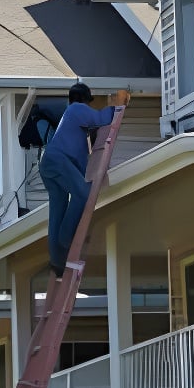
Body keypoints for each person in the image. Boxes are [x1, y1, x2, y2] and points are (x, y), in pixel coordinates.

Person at [39, 83, 127, 276]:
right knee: (83, 194)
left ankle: (57, 262)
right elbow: (101, 118)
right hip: (58, 160)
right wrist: (119, 105)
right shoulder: (76, 109)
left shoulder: (70, 122)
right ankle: (65, 240)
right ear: (84, 100)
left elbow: (79, 165)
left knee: (58, 208)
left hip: (49, 163)